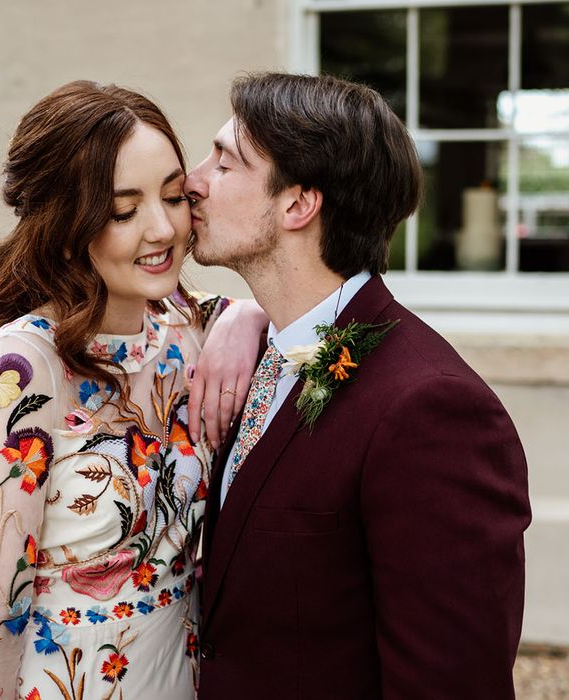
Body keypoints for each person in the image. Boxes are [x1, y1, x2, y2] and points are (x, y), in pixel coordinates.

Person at [185, 73, 531, 699]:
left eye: (226, 163)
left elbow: (452, 684)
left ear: (297, 205)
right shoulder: (265, 349)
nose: (192, 180)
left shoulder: (431, 409)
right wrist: (240, 316)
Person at [0, 80, 266, 700]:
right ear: (69, 226)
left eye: (174, 197)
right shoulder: (20, 366)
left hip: (186, 676)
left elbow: (302, 318)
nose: (163, 229)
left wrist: (244, 317)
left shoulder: (190, 331)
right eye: (124, 212)